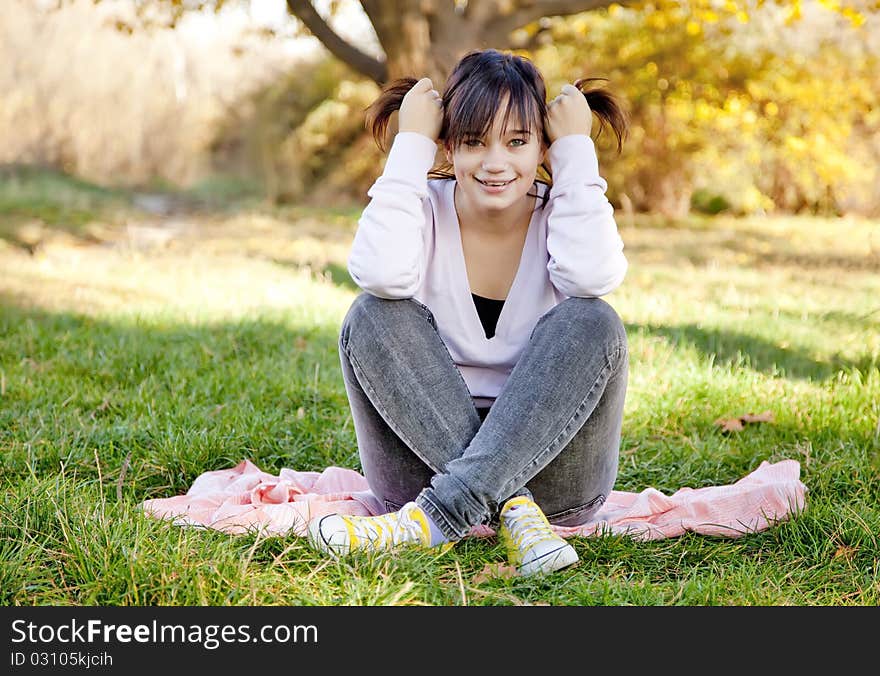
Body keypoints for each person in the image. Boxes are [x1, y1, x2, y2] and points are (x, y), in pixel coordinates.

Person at [307, 48, 630, 577]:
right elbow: (381, 274)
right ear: (449, 145)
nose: (496, 163)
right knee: (372, 313)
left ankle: (439, 519)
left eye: (518, 142)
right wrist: (410, 143)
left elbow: (594, 277)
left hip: (556, 482)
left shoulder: (565, 212)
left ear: (542, 145)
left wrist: (575, 151)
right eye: (475, 142)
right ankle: (507, 512)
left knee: (594, 320)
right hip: (420, 466)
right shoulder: (422, 207)